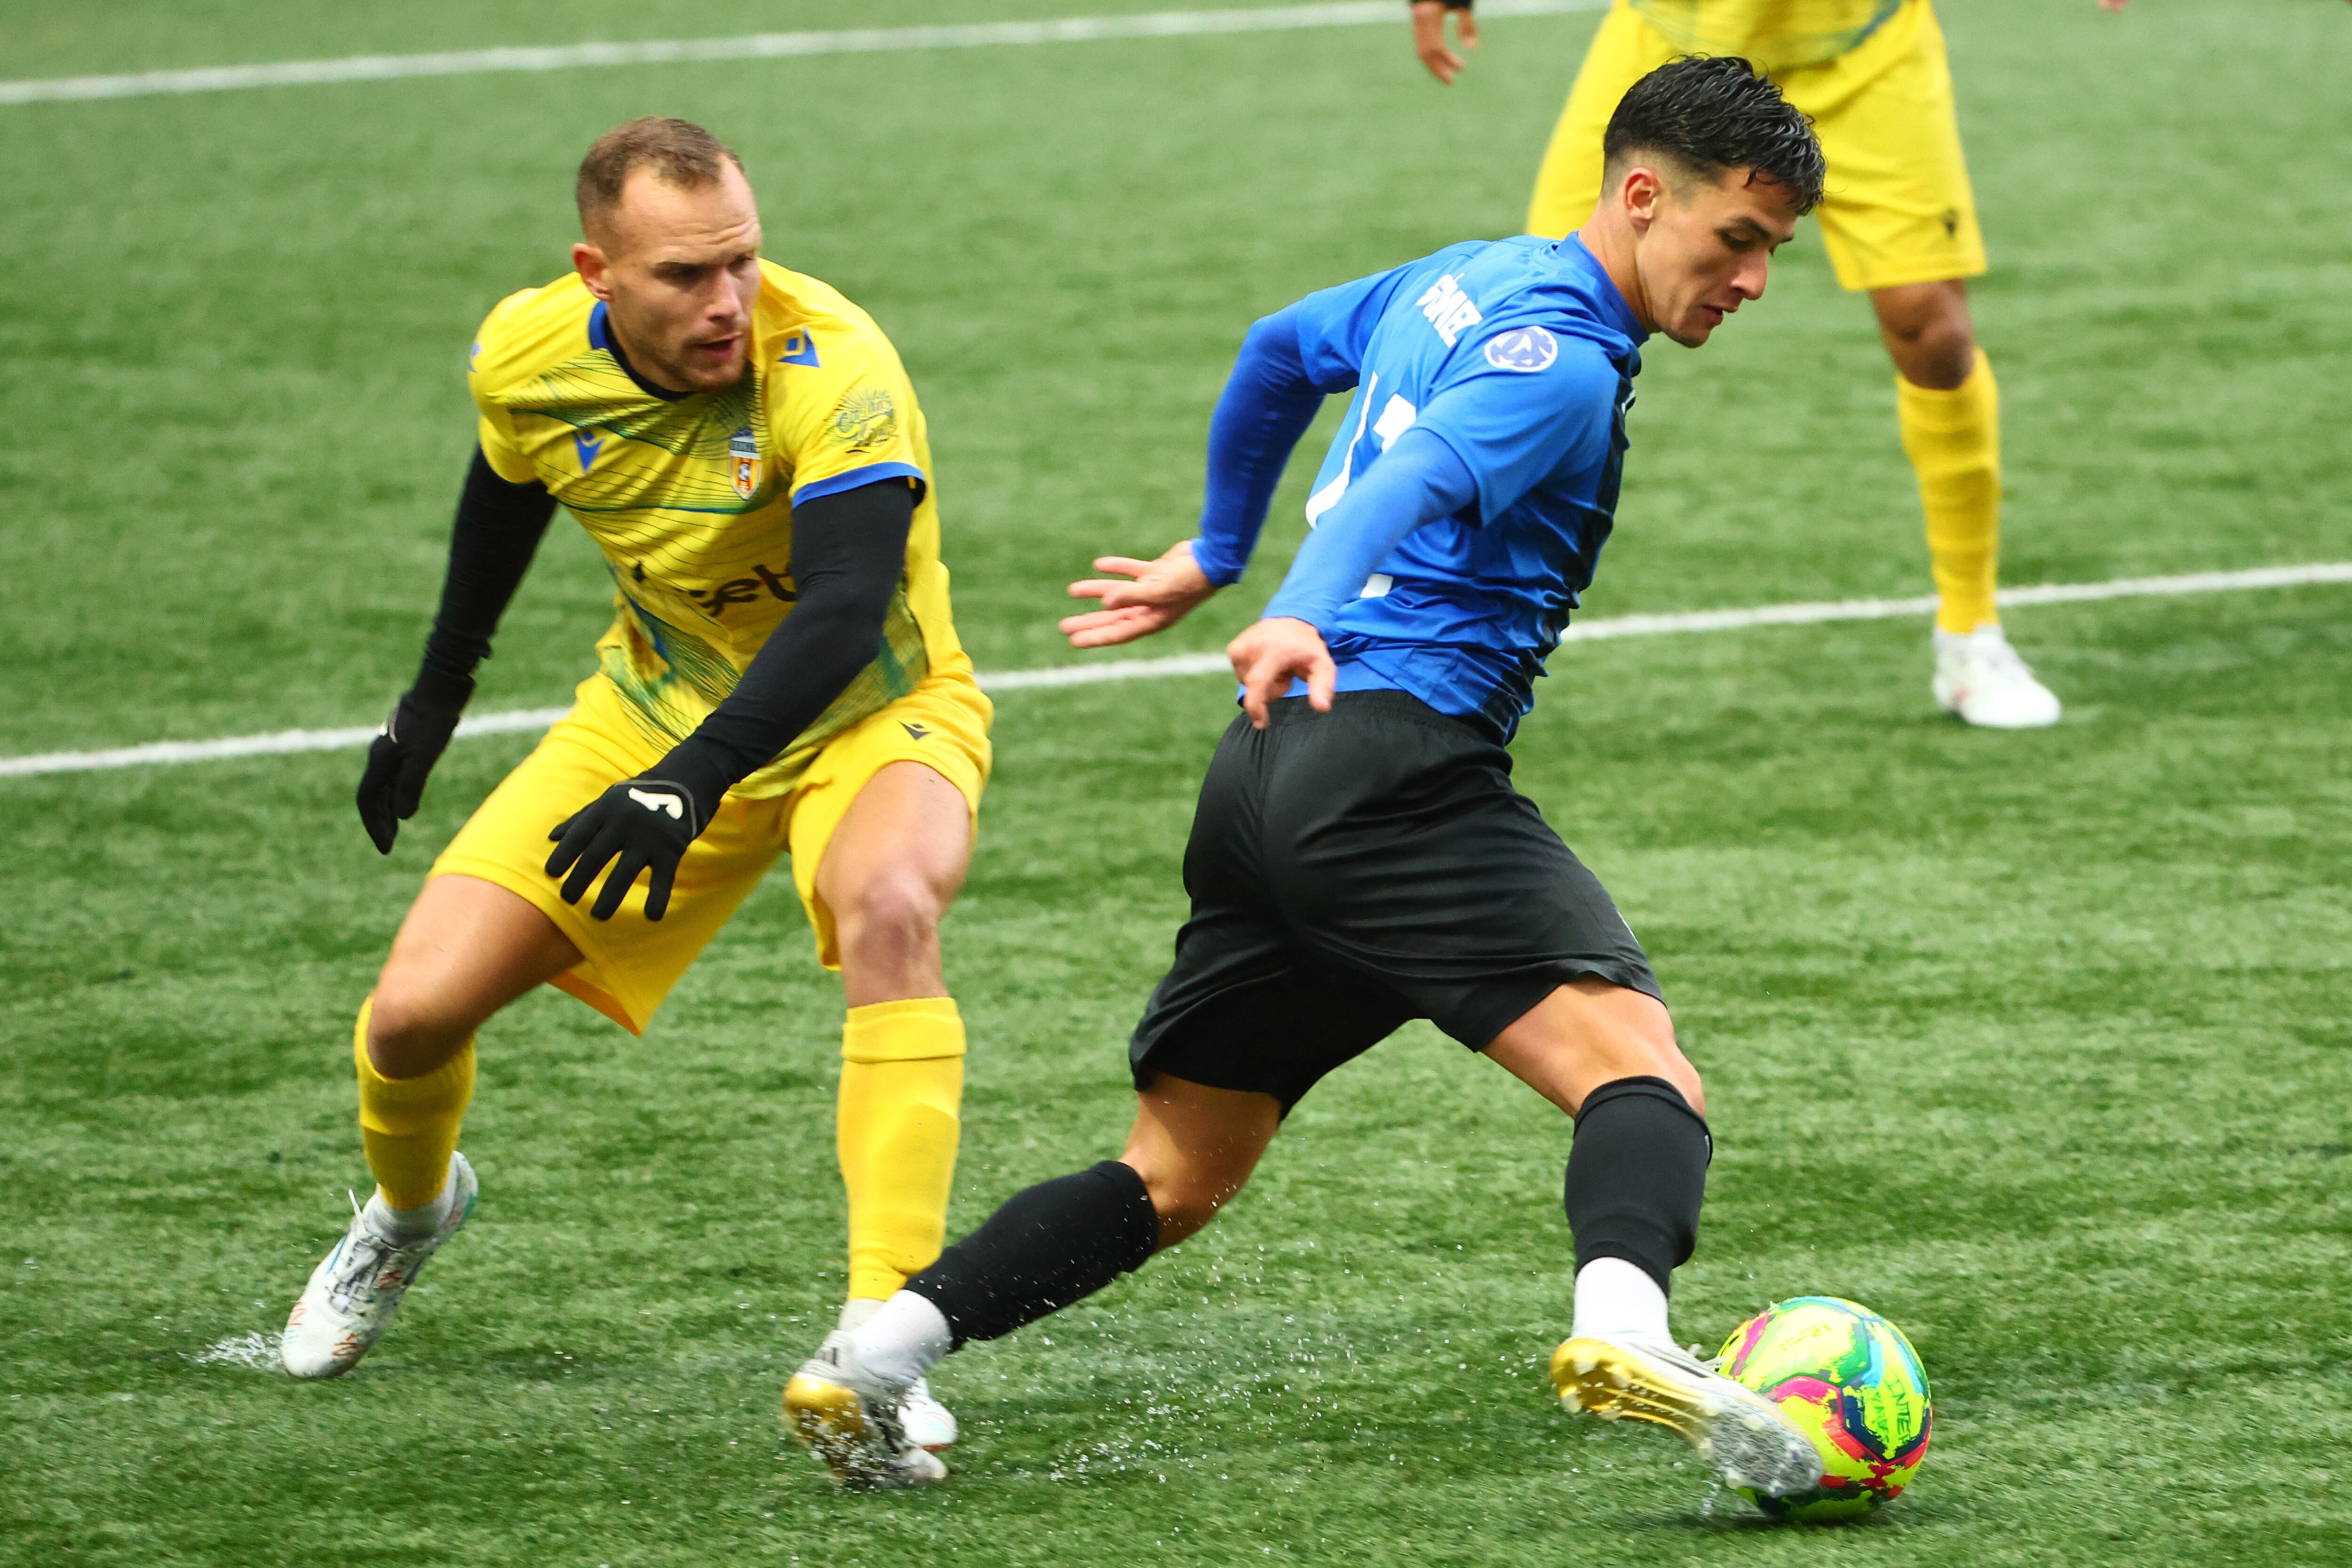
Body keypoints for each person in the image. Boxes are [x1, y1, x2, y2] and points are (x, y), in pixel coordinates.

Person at [780, 58, 1828, 1496]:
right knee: (1640, 1070)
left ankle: (876, 1356)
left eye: (1775, 251)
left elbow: (1280, 347)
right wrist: (1294, 602)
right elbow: (1409, 487)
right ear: (1644, 196)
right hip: (1387, 764)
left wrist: (1217, 546)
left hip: (1264, 781)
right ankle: (1628, 1328)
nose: (1757, 279)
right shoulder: (1565, 363)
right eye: (1742, 241)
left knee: (1178, 1169)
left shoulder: (1460, 280)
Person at [279, 117, 987, 1483]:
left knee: (893, 903)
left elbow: (844, 604)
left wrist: (692, 783)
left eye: (741, 261)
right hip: (652, 712)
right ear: (596, 270)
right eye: (683, 276)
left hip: (873, 712)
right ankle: (408, 1217)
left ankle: (881, 1333)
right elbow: (506, 488)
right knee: (412, 1016)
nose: (725, 301)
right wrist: (436, 696)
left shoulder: (834, 363)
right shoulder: (526, 351)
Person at [1409, 0, 2094, 728]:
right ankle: (1432, 634)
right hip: (1674, 36)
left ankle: (1971, 630)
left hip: (1864, 44)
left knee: (1931, 326)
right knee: (1541, 314)